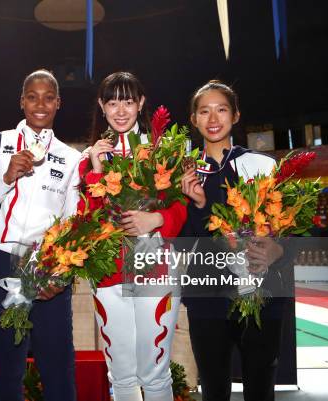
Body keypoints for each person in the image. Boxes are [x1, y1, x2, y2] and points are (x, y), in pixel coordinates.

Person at [0, 69, 80, 401]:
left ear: (58, 103)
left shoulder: (71, 158)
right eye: (32, 96)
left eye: (48, 97)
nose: (40, 104)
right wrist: (6, 178)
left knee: (57, 366)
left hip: (47, 266)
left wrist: (61, 272)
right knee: (6, 366)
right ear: (22, 101)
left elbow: (72, 223)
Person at [78, 71, 186, 401]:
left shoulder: (164, 150)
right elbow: (87, 220)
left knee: (154, 372)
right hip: (108, 273)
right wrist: (96, 169)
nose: (121, 110)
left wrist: (155, 218)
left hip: (156, 270)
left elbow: (181, 209)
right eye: (112, 102)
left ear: (140, 103)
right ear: (102, 105)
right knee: (121, 374)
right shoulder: (89, 159)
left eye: (128, 101)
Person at [180, 80, 291, 401]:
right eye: (204, 111)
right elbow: (181, 242)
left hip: (263, 294)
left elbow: (291, 229)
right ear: (194, 119)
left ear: (236, 115)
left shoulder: (263, 165)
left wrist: (277, 251)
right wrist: (198, 206)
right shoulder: (182, 174)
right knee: (214, 389)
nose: (213, 118)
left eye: (221, 109)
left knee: (260, 389)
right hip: (207, 298)